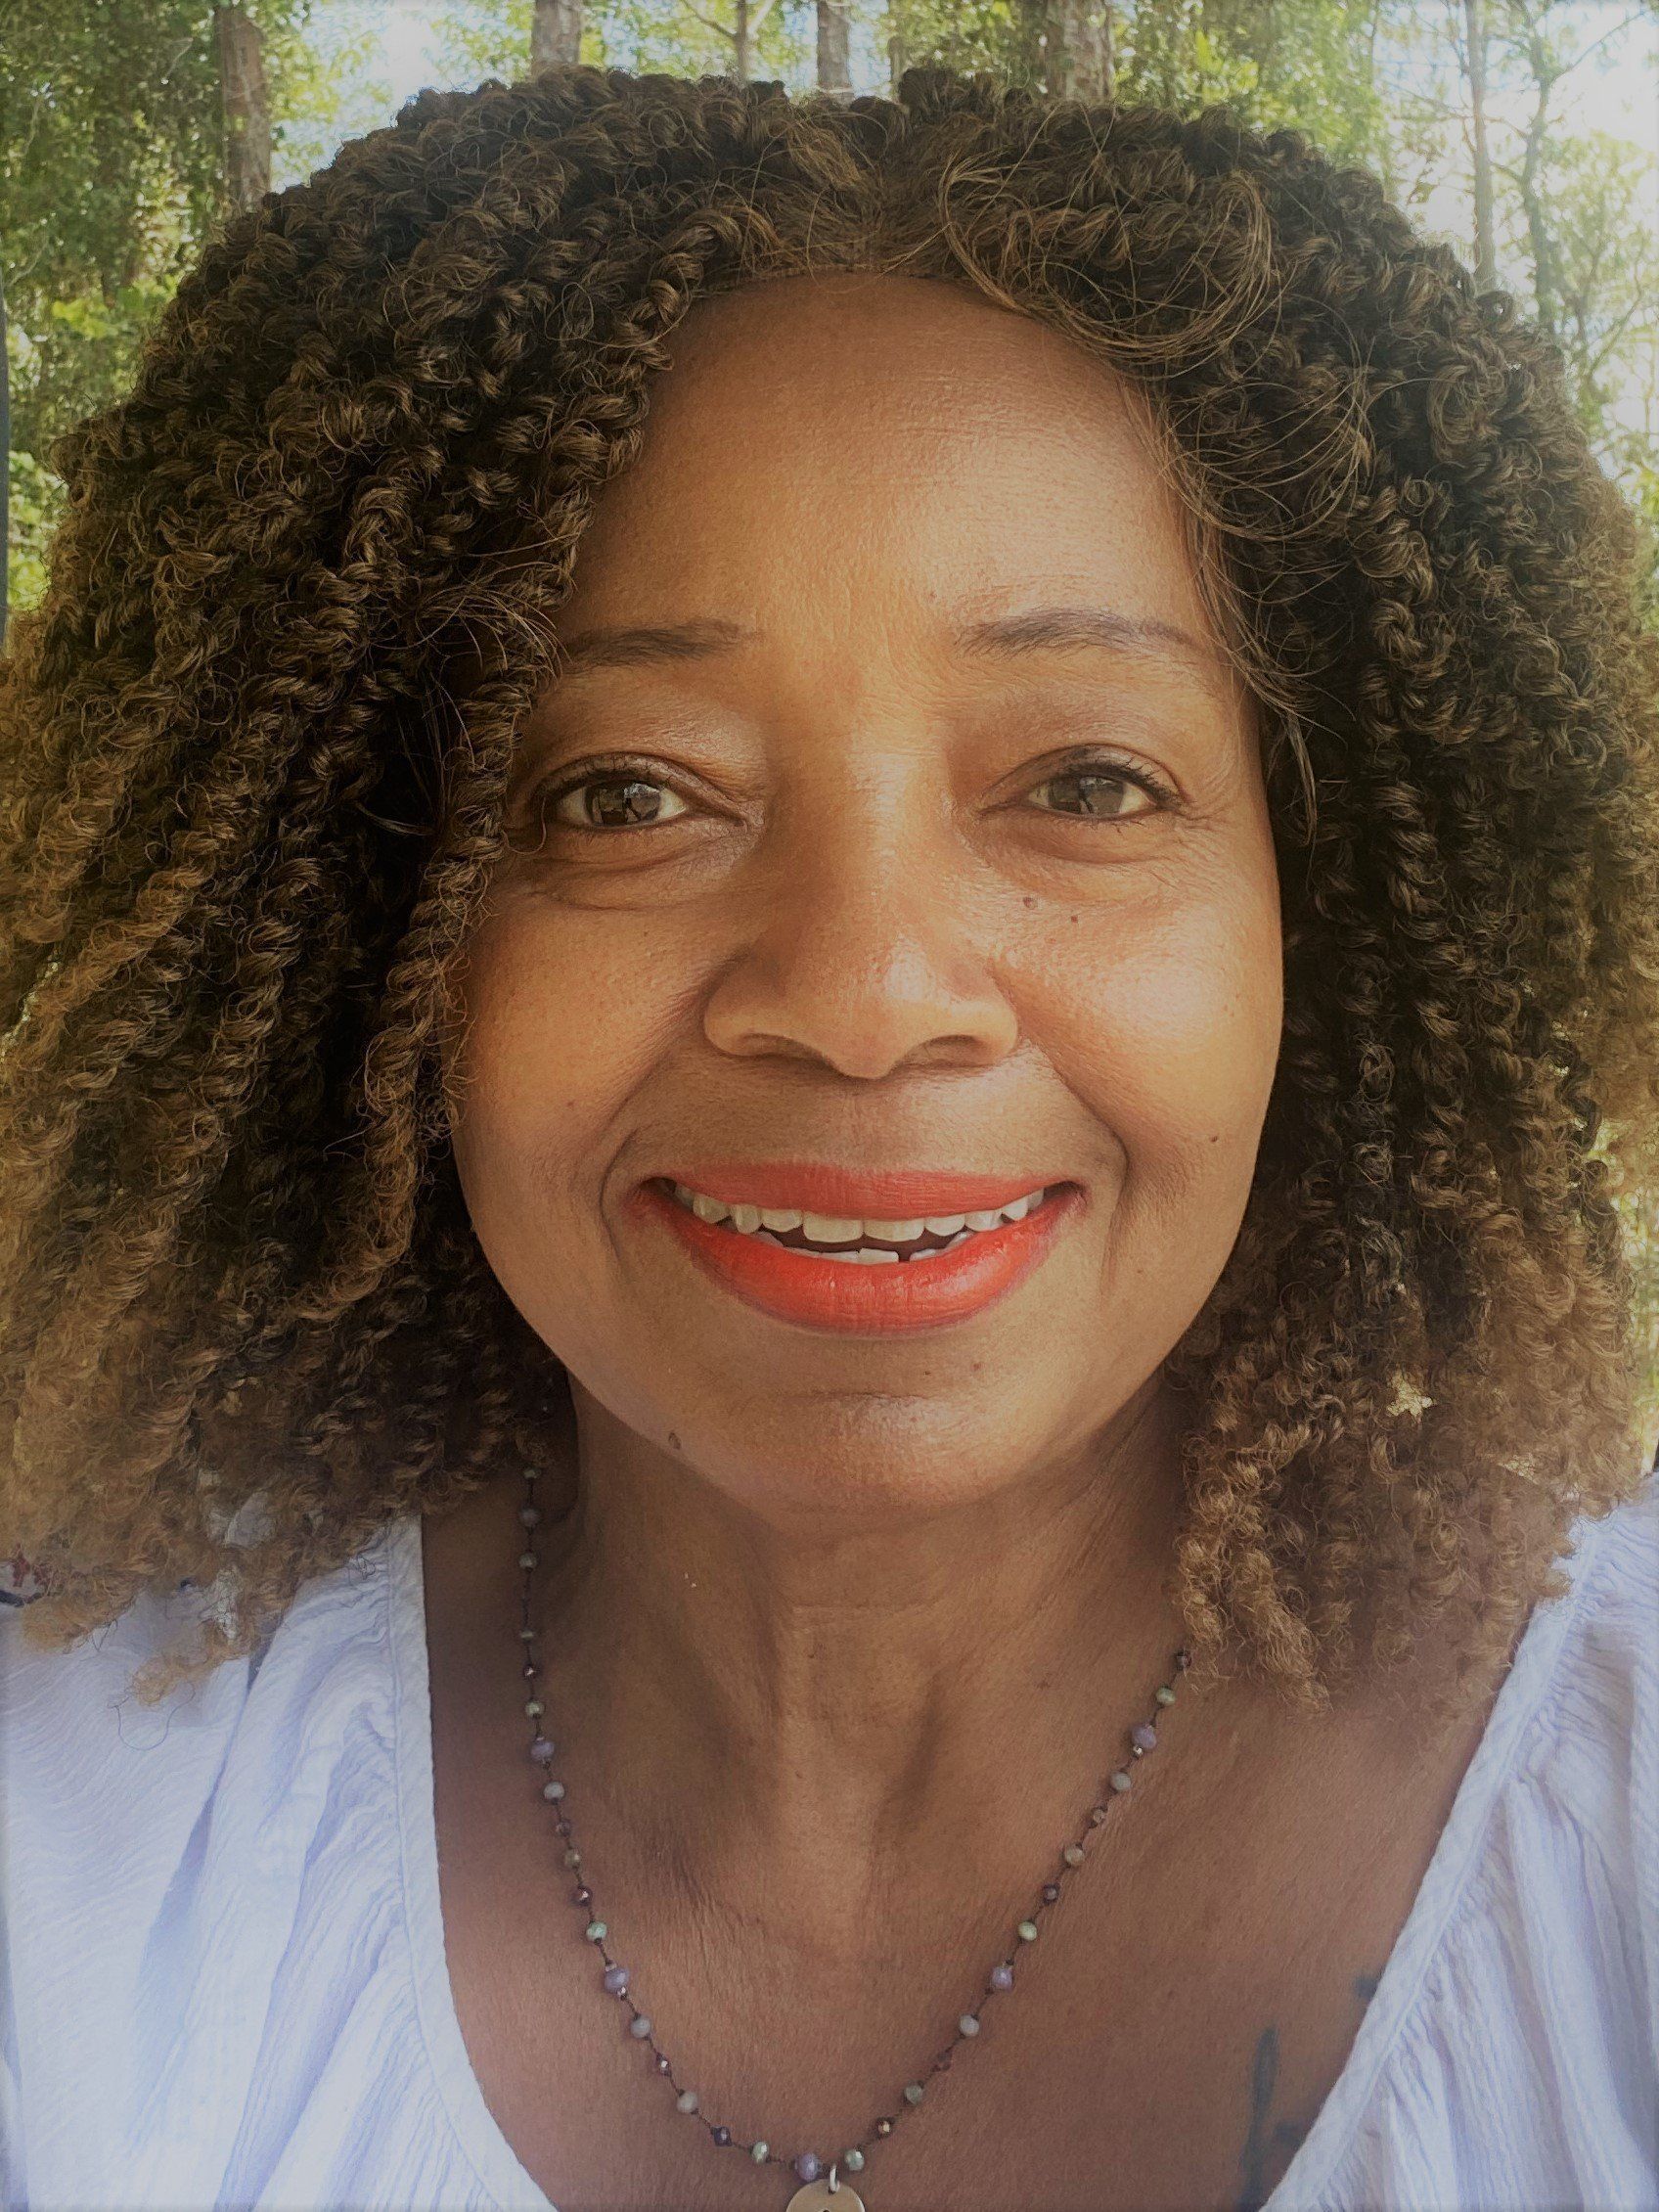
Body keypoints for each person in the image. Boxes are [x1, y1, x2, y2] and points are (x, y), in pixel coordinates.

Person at [1, 62, 1656, 2212]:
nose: (867, 996)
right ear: (366, 934)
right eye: (622, 795)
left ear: (1308, 927)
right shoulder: (83, 1833)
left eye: (1083, 782)